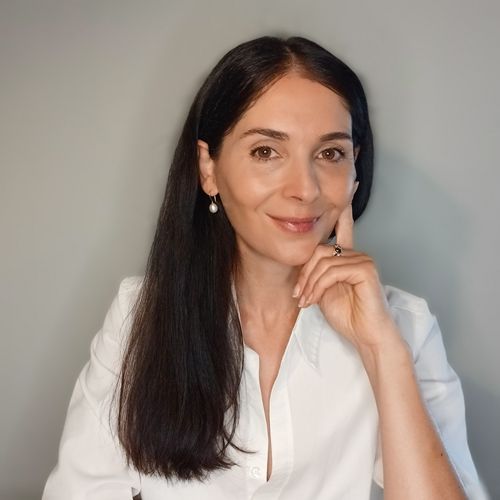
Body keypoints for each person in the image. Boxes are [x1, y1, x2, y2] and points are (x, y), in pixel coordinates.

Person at [43, 35, 485, 499]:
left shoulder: (403, 329)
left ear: (355, 170)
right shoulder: (140, 316)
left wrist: (381, 351)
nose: (304, 189)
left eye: (330, 154)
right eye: (266, 152)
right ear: (208, 168)